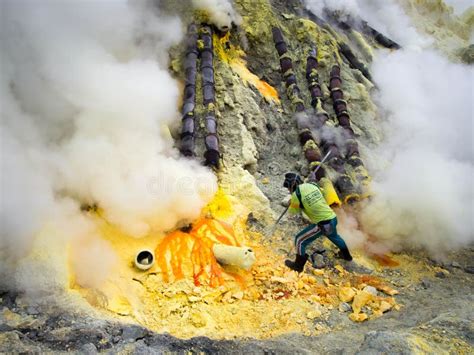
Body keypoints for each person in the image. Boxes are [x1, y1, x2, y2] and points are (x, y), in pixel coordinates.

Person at [283, 172, 353, 272]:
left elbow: (293, 212)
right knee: (334, 236)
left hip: (323, 224)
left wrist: (292, 203)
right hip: (332, 217)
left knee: (299, 240)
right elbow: (323, 194)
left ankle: (298, 266)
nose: (289, 190)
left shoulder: (296, 195)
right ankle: (347, 256)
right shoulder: (312, 185)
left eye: (288, 188)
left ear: (291, 186)